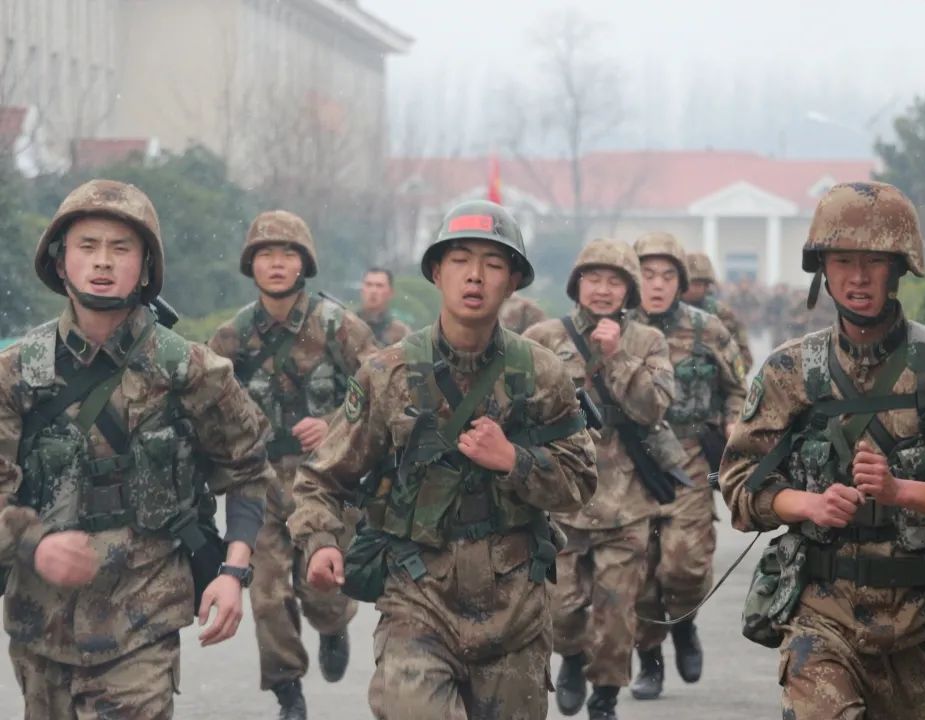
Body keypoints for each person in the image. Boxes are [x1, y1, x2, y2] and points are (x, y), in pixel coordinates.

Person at [289, 199, 597, 720]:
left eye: (493, 264)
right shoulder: (387, 373)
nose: (475, 276)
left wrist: (514, 460)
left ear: (513, 281)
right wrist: (320, 543)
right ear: (436, 271)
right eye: (459, 260)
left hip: (515, 610)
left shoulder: (542, 373)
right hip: (418, 599)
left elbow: (581, 481)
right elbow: (323, 477)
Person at [718, 181, 925, 719]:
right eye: (843, 260)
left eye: (874, 260)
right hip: (820, 616)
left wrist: (902, 491)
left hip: (922, 627)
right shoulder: (789, 373)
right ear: (823, 270)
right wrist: (807, 504)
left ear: (898, 267)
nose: (858, 276)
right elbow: (740, 484)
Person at [0, 179, 273, 717]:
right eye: (87, 246)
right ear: (60, 262)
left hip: (143, 618)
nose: (103, 261)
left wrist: (233, 571)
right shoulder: (16, 375)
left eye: (121, 248)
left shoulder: (192, 370)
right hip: (41, 626)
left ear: (146, 268)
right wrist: (34, 542)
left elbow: (249, 470)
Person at [208, 210, 375, 718]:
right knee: (267, 595)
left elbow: (385, 387)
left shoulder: (338, 325)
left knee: (322, 591)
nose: (277, 263)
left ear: (304, 263)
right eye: (266, 254)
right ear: (251, 264)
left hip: (324, 482)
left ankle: (333, 626)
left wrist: (335, 423)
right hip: (260, 483)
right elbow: (202, 404)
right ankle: (288, 691)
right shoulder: (232, 337)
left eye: (287, 254)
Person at [525, 238, 674, 720]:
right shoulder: (544, 336)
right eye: (594, 279)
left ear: (629, 290)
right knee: (561, 609)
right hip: (563, 500)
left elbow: (655, 408)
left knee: (616, 615)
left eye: (614, 281)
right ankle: (570, 657)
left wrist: (617, 357)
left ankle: (606, 697)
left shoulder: (648, 342)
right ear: (577, 284)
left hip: (627, 502)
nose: (603, 289)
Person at [629, 232, 747, 701]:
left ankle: (684, 625)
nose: (657, 284)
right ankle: (649, 660)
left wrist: (735, 421)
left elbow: (737, 387)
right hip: (630, 461)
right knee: (637, 571)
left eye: (667, 275)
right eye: (647, 274)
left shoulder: (708, 330)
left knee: (685, 564)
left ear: (681, 281)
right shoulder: (614, 330)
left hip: (690, 457)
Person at [683, 252, 753, 370]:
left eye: (699, 284)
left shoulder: (722, 313)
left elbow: (744, 360)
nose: (696, 289)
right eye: (692, 284)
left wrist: (716, 366)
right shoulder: (668, 311)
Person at [359, 267, 411, 348]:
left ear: (390, 292)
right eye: (369, 285)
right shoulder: (347, 324)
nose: (373, 291)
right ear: (362, 290)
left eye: (379, 286)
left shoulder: (401, 332)